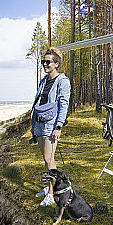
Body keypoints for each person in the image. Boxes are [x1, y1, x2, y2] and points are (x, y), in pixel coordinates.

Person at [30, 47, 71, 207]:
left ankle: (51, 193)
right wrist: (33, 124)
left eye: (48, 62)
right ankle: (48, 187)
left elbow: (63, 104)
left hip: (51, 125)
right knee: (45, 159)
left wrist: (59, 126)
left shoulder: (62, 81)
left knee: (49, 159)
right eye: (43, 62)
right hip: (39, 123)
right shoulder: (43, 81)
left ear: (56, 64)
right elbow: (38, 103)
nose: (45, 64)